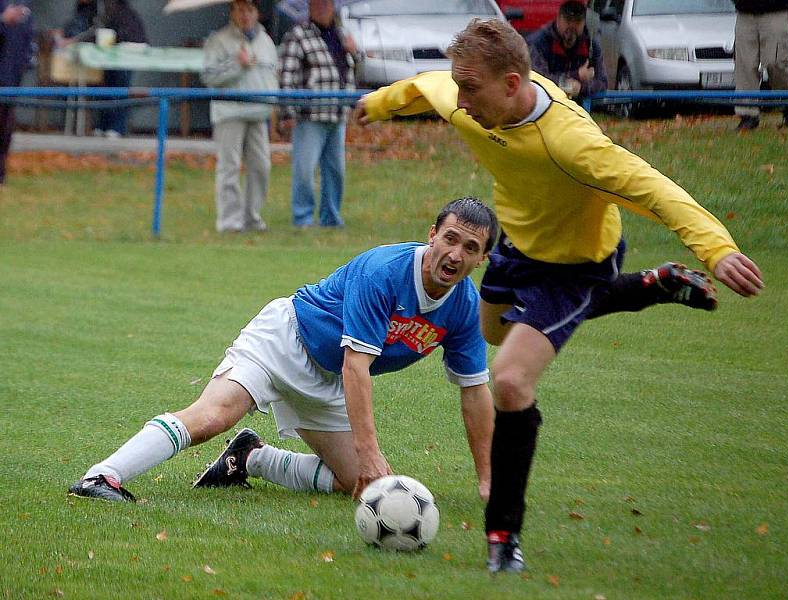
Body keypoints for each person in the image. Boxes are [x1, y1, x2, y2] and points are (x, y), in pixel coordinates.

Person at [354, 18, 764, 573]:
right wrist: (379, 104)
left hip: (575, 265)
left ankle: (503, 537)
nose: (460, 97)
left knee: (510, 378)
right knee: (493, 329)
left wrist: (715, 248)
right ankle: (653, 286)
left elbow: (652, 188)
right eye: (461, 84)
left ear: (514, 84)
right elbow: (427, 86)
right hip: (517, 244)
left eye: (470, 87)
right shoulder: (470, 95)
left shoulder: (571, 142)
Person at [69, 197, 497, 505]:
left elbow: (475, 393)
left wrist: (487, 480)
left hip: (329, 377)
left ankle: (250, 459)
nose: (455, 254)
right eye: (450, 239)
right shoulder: (384, 271)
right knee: (213, 416)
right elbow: (357, 365)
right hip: (284, 340)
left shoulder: (463, 309)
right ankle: (102, 476)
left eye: (471, 248)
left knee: (358, 485)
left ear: (481, 259)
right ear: (432, 235)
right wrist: (370, 450)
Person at [277, 0, 358, 229]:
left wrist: (355, 52)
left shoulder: (342, 35)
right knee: (305, 170)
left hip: (338, 114)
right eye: (317, 3)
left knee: (336, 171)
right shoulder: (297, 35)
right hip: (309, 115)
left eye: (326, 3)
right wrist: (287, 112)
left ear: (334, 7)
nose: (322, 7)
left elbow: (354, 68)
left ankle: (330, 218)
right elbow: (286, 76)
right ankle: (302, 218)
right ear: (309, 7)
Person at [202, 0, 278, 233]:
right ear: (232, 12)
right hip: (230, 111)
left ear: (256, 13)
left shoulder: (266, 41)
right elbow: (209, 76)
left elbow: (272, 75)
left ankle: (251, 217)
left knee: (261, 166)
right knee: (230, 166)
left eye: (249, 10)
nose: (244, 15)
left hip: (259, 111)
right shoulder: (218, 40)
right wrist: (237, 64)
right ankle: (230, 221)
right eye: (240, 10)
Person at [526, 0, 607, 106]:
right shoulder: (539, 43)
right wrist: (576, 76)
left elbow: (603, 83)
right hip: (545, 106)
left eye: (578, 21)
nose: (572, 26)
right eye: (568, 20)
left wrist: (581, 88)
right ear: (558, 18)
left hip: (579, 110)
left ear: (584, 22)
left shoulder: (591, 46)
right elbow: (538, 81)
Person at [733, 0, 788, 130]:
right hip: (745, 14)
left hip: (777, 11)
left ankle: (787, 106)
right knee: (745, 64)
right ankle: (748, 115)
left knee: (775, 62)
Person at [90, 0, 148, 137]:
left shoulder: (122, 15)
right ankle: (104, 126)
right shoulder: (114, 14)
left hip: (126, 56)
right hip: (114, 57)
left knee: (120, 90)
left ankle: (116, 128)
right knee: (109, 89)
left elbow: (120, 37)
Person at [0, 0, 33, 187]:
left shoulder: (24, 5)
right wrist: (3, 20)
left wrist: (27, 58)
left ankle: (1, 174)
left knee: (5, 128)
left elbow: (26, 34)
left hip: (12, 76)